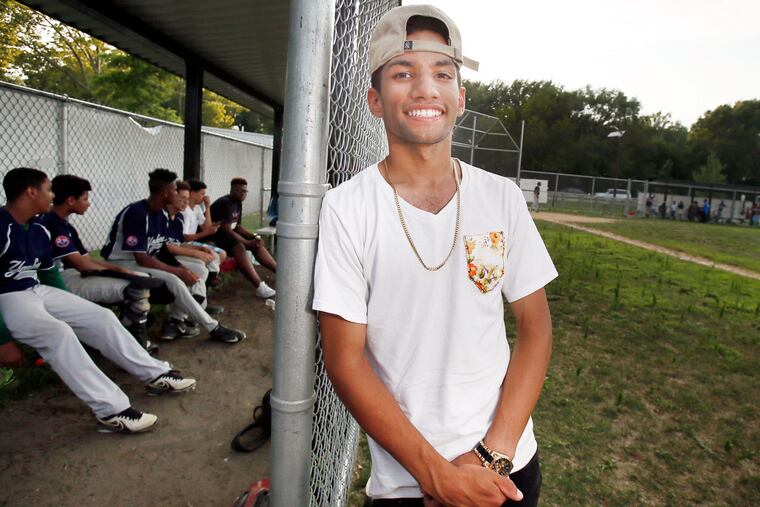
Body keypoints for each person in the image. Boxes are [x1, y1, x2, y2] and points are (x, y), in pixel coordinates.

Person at [313, 6, 557, 506]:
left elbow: (535, 328)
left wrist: (493, 452)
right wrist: (436, 475)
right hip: (410, 483)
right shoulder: (347, 208)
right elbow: (344, 358)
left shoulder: (501, 197)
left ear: (459, 98)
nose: (426, 88)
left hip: (508, 467)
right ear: (375, 100)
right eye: (403, 74)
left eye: (443, 74)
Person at [0, 167, 197, 433]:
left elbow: (47, 273)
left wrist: (74, 309)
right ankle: (112, 411)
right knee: (57, 333)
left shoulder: (38, 227)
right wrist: (2, 338)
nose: (52, 195)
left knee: (100, 316)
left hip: (35, 290)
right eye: (48, 189)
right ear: (31, 192)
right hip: (8, 296)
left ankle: (156, 374)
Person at [102, 168, 245, 344]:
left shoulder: (160, 215)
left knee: (195, 274)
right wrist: (177, 272)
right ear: (165, 193)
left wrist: (182, 268)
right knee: (175, 280)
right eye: (174, 190)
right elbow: (141, 258)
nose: (176, 194)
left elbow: (161, 250)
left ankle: (178, 320)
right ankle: (213, 327)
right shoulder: (137, 213)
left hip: (145, 260)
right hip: (122, 260)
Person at [41, 174, 159, 354]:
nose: (88, 203)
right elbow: (81, 264)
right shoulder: (51, 223)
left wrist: (118, 270)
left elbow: (86, 259)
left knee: (139, 279)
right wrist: (119, 270)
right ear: (71, 200)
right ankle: (134, 345)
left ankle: (120, 336)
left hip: (70, 275)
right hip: (56, 282)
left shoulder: (64, 225)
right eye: (85, 198)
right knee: (135, 289)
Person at [209, 178, 276, 299]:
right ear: (233, 190)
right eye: (241, 191)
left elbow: (238, 227)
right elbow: (226, 229)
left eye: (245, 191)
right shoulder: (225, 203)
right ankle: (259, 286)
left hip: (226, 236)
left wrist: (254, 237)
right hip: (212, 237)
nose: (244, 194)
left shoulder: (237, 203)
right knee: (239, 246)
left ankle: (281, 275)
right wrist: (246, 242)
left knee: (257, 244)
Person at [179, 179, 226, 287]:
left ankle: (208, 282)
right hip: (185, 244)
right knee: (217, 254)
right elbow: (184, 238)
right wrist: (207, 232)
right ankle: (206, 282)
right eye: (202, 194)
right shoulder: (184, 212)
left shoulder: (196, 208)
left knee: (221, 253)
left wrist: (207, 206)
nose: (204, 197)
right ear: (192, 193)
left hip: (191, 242)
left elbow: (206, 226)